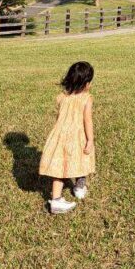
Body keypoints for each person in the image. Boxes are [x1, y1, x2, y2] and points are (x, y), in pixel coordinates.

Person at [39, 61, 96, 215]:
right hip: (77, 135)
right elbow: (87, 120)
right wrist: (90, 140)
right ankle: (79, 186)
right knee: (81, 158)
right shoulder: (87, 98)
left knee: (59, 168)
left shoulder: (61, 97)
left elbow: (60, 117)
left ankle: (56, 199)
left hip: (59, 135)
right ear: (86, 83)